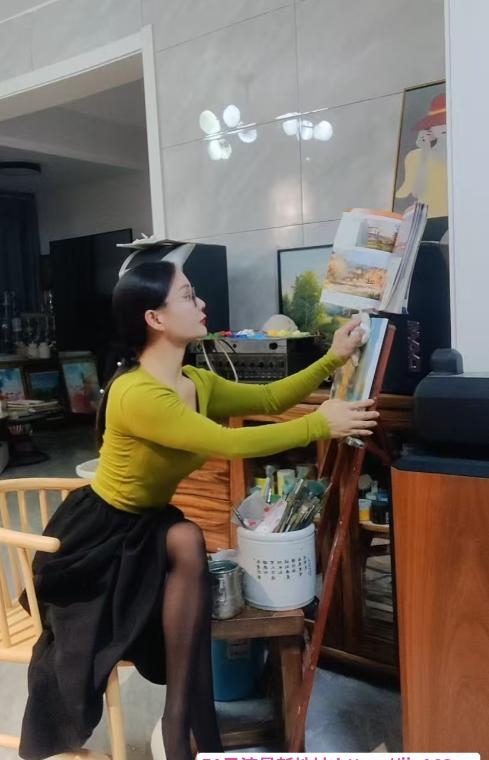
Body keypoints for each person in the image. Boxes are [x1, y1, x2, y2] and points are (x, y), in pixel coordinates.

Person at [19, 260, 378, 760]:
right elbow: (227, 444)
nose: (202, 303)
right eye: (188, 296)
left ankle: (180, 717)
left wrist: (333, 359)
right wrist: (320, 424)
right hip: (100, 535)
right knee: (185, 537)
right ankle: (179, 724)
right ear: (155, 318)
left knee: (187, 537)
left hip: (148, 523)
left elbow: (269, 397)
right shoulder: (137, 394)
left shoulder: (195, 381)